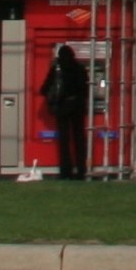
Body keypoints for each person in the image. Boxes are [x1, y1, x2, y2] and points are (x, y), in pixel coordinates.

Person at [41, 42, 91, 182]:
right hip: (78, 107)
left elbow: (44, 88)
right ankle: (82, 170)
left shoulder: (57, 69)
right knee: (79, 139)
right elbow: (86, 89)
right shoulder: (80, 68)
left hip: (62, 107)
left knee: (64, 141)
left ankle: (65, 171)